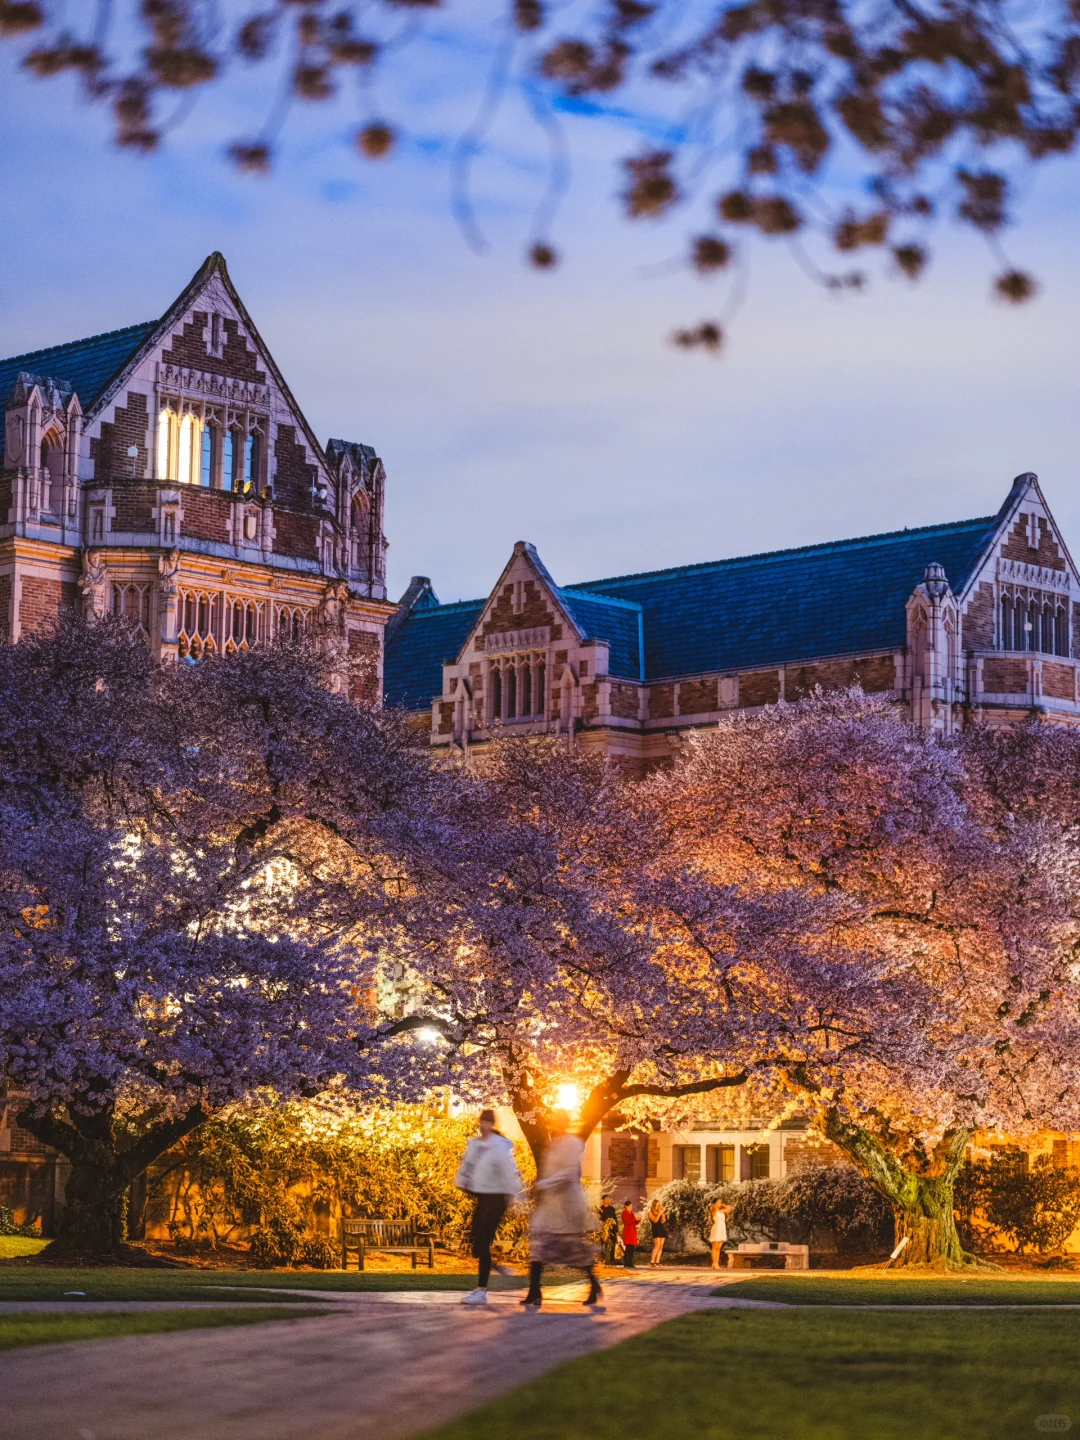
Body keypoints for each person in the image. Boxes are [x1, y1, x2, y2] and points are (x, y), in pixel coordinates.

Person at [520, 1111, 603, 1309]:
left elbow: (567, 1173)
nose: (552, 1125)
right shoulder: (552, 1145)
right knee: (538, 1248)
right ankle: (534, 1291)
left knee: (574, 1251)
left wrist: (545, 1184)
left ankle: (594, 1284)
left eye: (556, 1122)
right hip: (549, 1207)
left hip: (566, 1208)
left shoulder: (573, 1144)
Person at [455, 1108, 524, 1307]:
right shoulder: (476, 1145)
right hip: (481, 1195)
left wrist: (517, 1199)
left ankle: (481, 1290)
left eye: (487, 1122)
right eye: (481, 1121)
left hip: (496, 1197)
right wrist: (463, 1180)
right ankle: (494, 1267)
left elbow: (510, 1173)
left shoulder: (500, 1146)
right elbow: (467, 1166)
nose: (483, 1125)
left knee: (482, 1241)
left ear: (492, 1124)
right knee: (475, 1243)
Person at [709, 1198, 730, 1270]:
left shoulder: (721, 1211)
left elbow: (729, 1209)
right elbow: (712, 1206)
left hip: (722, 1228)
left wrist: (723, 1205)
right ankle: (714, 1263)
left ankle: (716, 1263)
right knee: (715, 1247)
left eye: (720, 1202)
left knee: (719, 1248)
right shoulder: (714, 1210)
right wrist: (715, 1204)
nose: (720, 1203)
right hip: (717, 1228)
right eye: (718, 1202)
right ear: (715, 1203)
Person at [647, 1198, 668, 1267]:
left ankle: (657, 1261)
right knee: (657, 1245)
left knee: (661, 1246)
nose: (658, 1206)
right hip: (655, 1229)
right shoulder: (650, 1213)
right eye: (656, 1205)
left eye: (659, 1205)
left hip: (661, 1229)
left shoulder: (659, 1212)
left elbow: (663, 1221)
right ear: (653, 1205)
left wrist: (662, 1213)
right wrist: (659, 1213)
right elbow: (655, 1221)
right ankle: (652, 1262)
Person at [598, 1195, 618, 1265]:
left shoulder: (612, 1209)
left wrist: (616, 1230)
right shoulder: (600, 1209)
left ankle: (612, 1260)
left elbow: (615, 1219)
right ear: (602, 1200)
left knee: (612, 1244)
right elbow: (599, 1220)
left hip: (612, 1230)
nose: (608, 1200)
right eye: (606, 1198)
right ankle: (603, 1259)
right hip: (603, 1230)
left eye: (609, 1198)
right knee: (603, 1244)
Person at [621, 1200, 639, 1269]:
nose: (631, 1207)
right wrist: (635, 1220)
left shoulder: (631, 1213)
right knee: (628, 1248)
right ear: (626, 1206)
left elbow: (634, 1222)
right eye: (630, 1206)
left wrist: (638, 1219)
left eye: (631, 1206)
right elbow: (627, 1222)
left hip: (632, 1232)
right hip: (628, 1232)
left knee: (632, 1249)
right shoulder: (624, 1213)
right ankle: (626, 1263)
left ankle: (630, 1263)